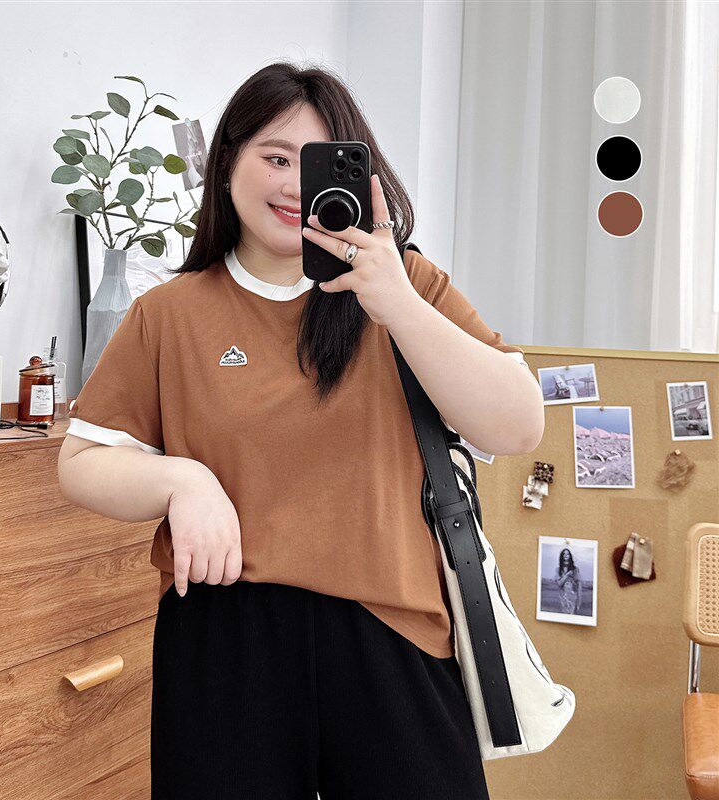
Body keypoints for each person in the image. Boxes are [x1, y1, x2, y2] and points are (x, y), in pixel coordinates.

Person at [58, 61, 545, 800]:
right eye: (275, 158)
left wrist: (396, 303)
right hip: (225, 638)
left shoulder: (409, 285)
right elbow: (82, 461)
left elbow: (518, 426)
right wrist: (181, 479)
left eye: (315, 164)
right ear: (228, 162)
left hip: (394, 635)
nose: (292, 186)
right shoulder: (171, 312)